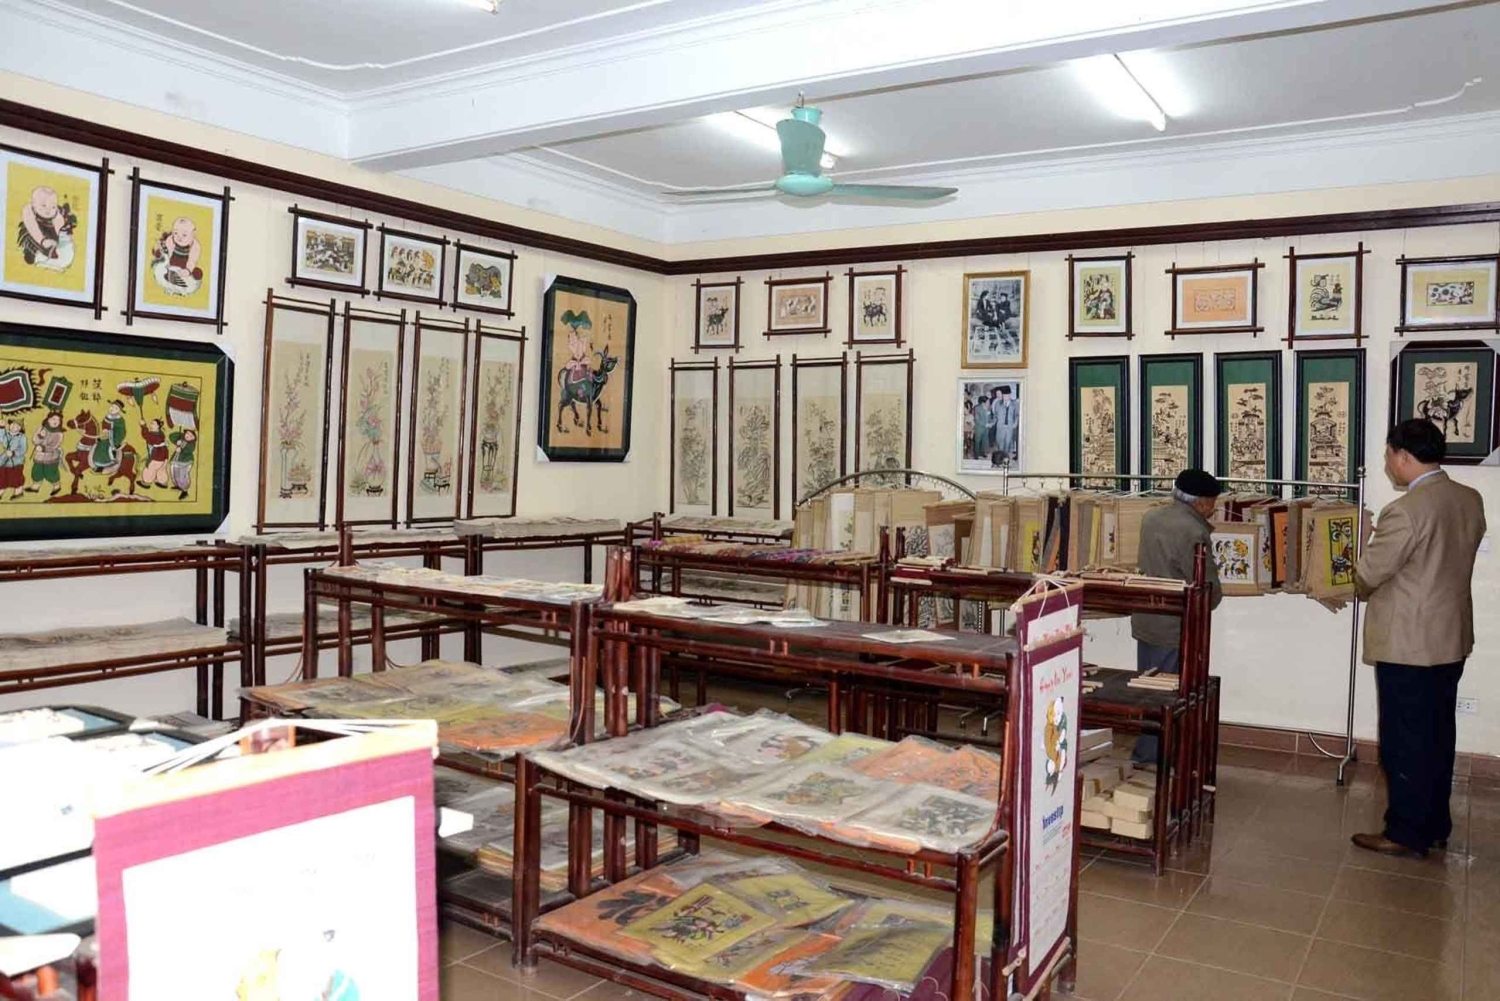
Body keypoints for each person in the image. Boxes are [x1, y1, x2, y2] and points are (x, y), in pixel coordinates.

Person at [1350, 419, 1485, 857]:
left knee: (1404, 742)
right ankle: (1435, 824)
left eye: (1389, 455)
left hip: (1409, 642)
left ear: (1404, 456)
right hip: (1450, 636)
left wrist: (1364, 544)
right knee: (1438, 736)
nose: (1388, 463)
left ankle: (1405, 833)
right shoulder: (1468, 498)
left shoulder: (1405, 510)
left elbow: (1368, 576)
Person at [1130, 468, 1224, 765]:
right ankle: (1155, 758)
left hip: (1147, 617)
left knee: (1149, 690)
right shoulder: (1194, 531)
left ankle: (1148, 755)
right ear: (1200, 502)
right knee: (1170, 696)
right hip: (1175, 625)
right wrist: (1213, 597)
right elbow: (1208, 588)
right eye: (1212, 502)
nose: (1213, 509)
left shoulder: (1151, 517)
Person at [26, 411, 64, 497]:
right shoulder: (42, 428)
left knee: (50, 473)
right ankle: (35, 486)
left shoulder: (59, 434)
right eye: (53, 419)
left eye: (58, 420)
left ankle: (56, 486)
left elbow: (53, 446)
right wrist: (40, 436)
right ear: (48, 419)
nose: (55, 421)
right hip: (39, 457)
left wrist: (43, 448)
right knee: (37, 471)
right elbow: (35, 440)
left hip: (51, 458)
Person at [991, 385, 1019, 467]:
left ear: (1010, 395)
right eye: (1003, 395)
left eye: (1007, 395)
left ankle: (1005, 463)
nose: (1005, 397)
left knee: (1007, 445)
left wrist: (1015, 423)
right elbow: (995, 416)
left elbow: (1017, 415)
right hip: (1000, 428)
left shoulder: (1014, 404)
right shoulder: (998, 404)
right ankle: (998, 462)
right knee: (1000, 445)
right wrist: (992, 423)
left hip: (1009, 428)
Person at [0, 419, 26, 500]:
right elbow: (1, 438)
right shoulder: (7, 434)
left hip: (16, 462)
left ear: (21, 428)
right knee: (2, 476)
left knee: (16, 477)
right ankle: (1, 491)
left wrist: (14, 453)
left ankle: (18, 491)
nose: (14, 427)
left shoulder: (22, 437)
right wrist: (1, 427)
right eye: (12, 424)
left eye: (17, 426)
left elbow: (23, 449)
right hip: (4, 460)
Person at [971, 394, 994, 461]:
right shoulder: (977, 408)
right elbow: (977, 419)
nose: (989, 403)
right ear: (983, 402)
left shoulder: (989, 408)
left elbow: (990, 417)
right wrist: (985, 424)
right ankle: (976, 454)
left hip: (986, 428)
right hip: (979, 428)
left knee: (984, 441)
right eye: (988, 402)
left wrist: (991, 423)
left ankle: (982, 453)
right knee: (977, 441)